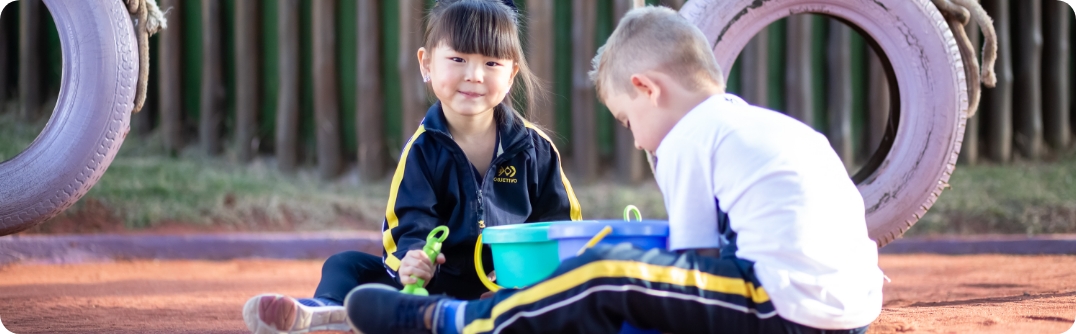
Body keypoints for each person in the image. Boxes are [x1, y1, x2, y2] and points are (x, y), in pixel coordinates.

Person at [342, 5, 884, 334]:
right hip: (851, 310)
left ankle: (452, 323)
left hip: (782, 309)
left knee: (604, 270)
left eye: (626, 120)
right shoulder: (767, 126)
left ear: (648, 90)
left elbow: (689, 259)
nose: (635, 136)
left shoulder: (689, 138)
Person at [242, 1, 581, 333]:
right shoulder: (422, 150)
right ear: (427, 63)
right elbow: (409, 221)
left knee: (549, 294)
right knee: (345, 263)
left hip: (509, 288)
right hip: (435, 286)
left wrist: (528, 274)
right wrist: (412, 260)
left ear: (511, 75)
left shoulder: (535, 150)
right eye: (458, 59)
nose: (474, 75)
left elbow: (562, 225)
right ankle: (327, 309)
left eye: (492, 63)